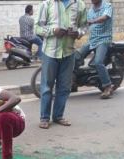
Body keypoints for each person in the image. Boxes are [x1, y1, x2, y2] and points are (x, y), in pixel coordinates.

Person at [34, 0, 87, 129]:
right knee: (47, 87)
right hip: (50, 52)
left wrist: (78, 33)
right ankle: (44, 118)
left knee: (64, 87)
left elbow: (84, 26)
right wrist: (53, 31)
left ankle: (58, 116)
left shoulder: (79, 4)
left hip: (69, 52)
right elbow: (37, 28)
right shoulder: (47, 4)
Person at [77, 0, 114, 99]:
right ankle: (74, 82)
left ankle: (108, 86)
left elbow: (104, 17)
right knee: (77, 56)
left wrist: (93, 21)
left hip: (104, 39)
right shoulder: (90, 11)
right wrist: (78, 34)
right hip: (92, 40)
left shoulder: (107, 5)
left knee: (98, 62)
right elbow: (85, 26)